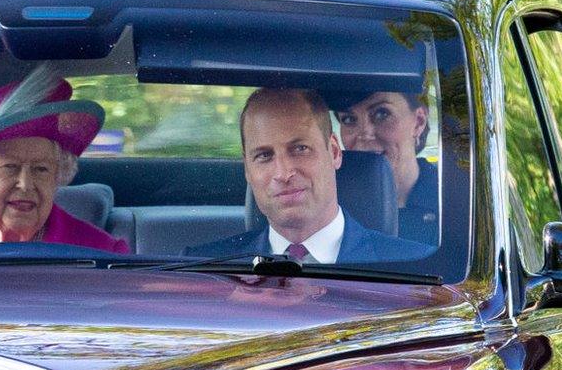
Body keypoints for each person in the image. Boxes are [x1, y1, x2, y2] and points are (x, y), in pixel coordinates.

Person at [185, 88, 432, 263]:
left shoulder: (418, 266)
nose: (283, 173)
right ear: (248, 170)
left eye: (300, 149)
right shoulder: (202, 268)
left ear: (334, 152)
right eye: (264, 156)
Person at [0, 65, 129, 254]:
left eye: (41, 169)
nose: (26, 184)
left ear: (56, 178)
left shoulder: (102, 252)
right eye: (10, 166)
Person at [335, 91, 438, 245]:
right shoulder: (327, 201)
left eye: (382, 114)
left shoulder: (458, 202)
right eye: (349, 119)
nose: (365, 134)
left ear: (418, 122)